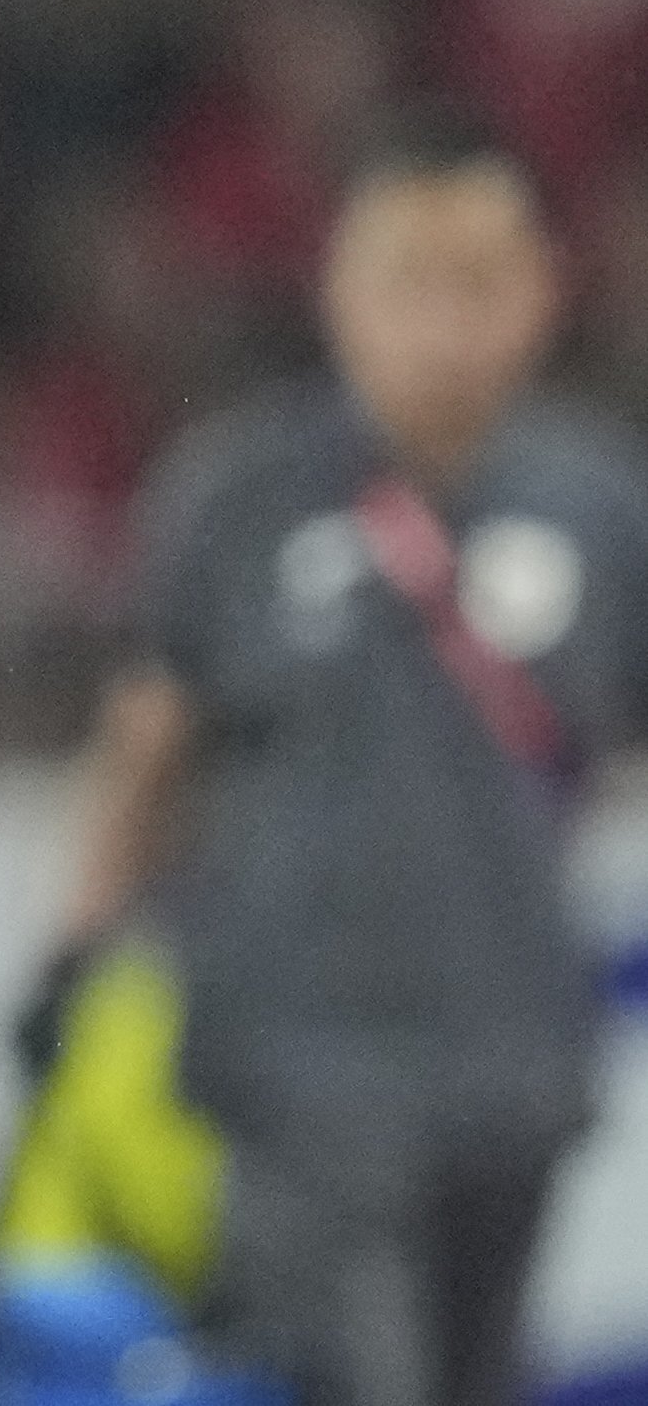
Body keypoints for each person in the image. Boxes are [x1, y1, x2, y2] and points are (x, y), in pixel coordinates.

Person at [47, 114, 648, 1406]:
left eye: (480, 284)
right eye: (409, 284)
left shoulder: (597, 504)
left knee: (475, 1378)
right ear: (341, 297)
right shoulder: (243, 492)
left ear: (541, 297)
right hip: (298, 1058)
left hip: (512, 1058)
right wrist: (81, 945)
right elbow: (155, 737)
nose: (445, 324)